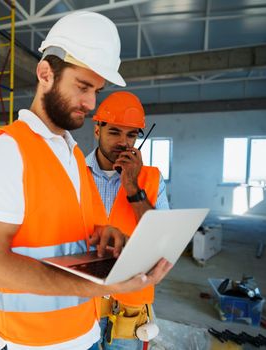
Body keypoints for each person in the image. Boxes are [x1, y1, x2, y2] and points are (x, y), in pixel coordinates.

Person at [0, 11, 173, 350]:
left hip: (84, 332)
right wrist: (103, 286)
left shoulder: (73, 154)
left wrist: (102, 233)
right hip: (31, 342)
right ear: (45, 73)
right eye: (82, 86)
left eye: (96, 90)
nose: (91, 103)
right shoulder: (7, 151)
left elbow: (68, 230)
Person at [85, 91, 170, 350]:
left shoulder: (152, 179)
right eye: (114, 132)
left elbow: (162, 241)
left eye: (131, 134)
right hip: (83, 301)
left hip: (131, 305)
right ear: (97, 130)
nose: (124, 142)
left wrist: (133, 186)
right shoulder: (73, 171)